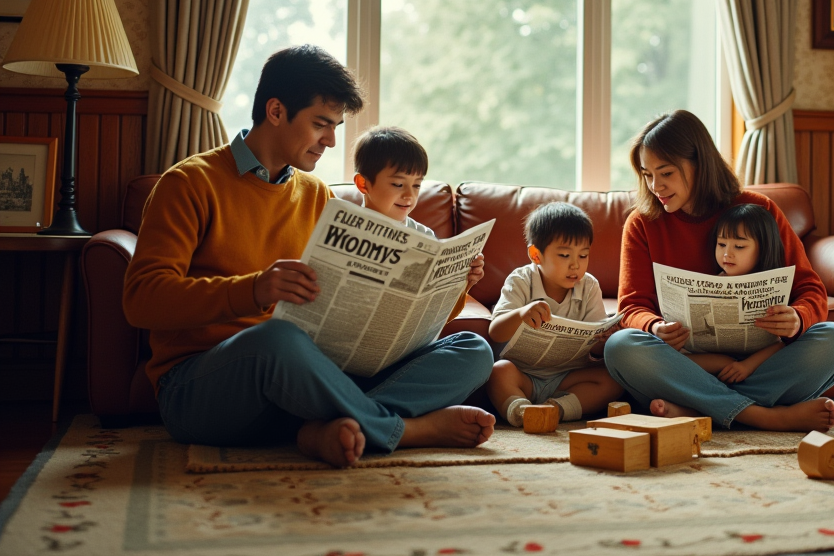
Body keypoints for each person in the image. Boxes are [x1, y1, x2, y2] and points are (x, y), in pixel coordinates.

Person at [124, 46, 495, 468]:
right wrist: (254, 289)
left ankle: (326, 430)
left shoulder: (316, 194)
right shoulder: (189, 183)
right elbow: (141, 300)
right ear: (277, 111)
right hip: (202, 387)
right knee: (277, 340)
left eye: (336, 126)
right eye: (321, 124)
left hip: (308, 381)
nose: (332, 140)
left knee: (473, 349)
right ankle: (402, 429)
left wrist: (454, 285)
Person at [604, 110, 834, 433]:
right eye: (647, 175)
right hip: (687, 365)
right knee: (621, 347)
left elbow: (810, 290)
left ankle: (697, 408)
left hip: (757, 363)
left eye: (665, 173)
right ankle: (764, 417)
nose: (656, 187)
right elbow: (632, 307)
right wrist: (653, 327)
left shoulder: (758, 210)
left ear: (699, 163)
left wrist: (798, 317)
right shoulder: (641, 224)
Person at [487, 202, 624, 428]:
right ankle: (521, 411)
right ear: (536, 255)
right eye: (564, 255)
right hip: (524, 376)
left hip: (568, 378)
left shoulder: (589, 286)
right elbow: (495, 332)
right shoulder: (520, 280)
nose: (575, 265)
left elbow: (595, 348)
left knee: (612, 379)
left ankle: (556, 410)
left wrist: (606, 338)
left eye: (583, 255)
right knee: (498, 372)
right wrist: (521, 314)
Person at [351, 124, 485, 280]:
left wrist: (465, 282)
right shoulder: (347, 231)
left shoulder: (425, 236)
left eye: (416, 185)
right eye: (398, 184)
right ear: (363, 183)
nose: (409, 195)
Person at [687, 204, 788, 383]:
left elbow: (781, 344)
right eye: (722, 244)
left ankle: (702, 402)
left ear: (763, 248)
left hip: (757, 365)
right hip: (713, 362)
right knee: (664, 356)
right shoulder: (711, 283)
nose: (727, 253)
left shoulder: (775, 288)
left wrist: (747, 366)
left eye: (739, 246)